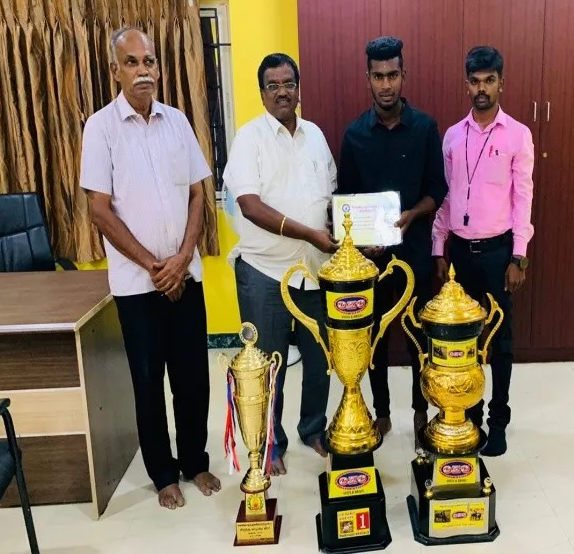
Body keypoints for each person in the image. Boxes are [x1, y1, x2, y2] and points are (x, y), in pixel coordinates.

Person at [80, 26, 221, 509]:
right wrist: (155, 266)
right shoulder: (100, 128)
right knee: (148, 384)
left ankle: (195, 461)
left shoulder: (177, 122)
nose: (144, 71)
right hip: (137, 286)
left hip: (186, 275)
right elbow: (99, 210)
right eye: (133, 62)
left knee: (193, 378)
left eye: (149, 61)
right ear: (115, 71)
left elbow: (198, 194)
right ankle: (163, 474)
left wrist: (181, 259)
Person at [223, 53, 337, 475]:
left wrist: (347, 229)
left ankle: (313, 429)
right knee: (269, 364)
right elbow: (250, 206)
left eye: (289, 83)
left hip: (314, 271)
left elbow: (331, 197)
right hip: (264, 272)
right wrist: (308, 232)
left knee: (320, 361)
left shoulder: (316, 136)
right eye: (273, 85)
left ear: (299, 87)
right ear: (262, 93)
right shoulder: (249, 138)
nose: (282, 92)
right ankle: (270, 443)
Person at [337, 36, 447, 440]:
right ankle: (381, 411)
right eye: (378, 76)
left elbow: (437, 188)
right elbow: (345, 199)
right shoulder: (354, 135)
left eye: (393, 75)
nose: (386, 84)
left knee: (418, 334)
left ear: (404, 75)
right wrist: (361, 240)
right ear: (367, 78)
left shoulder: (424, 128)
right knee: (376, 336)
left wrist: (413, 215)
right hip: (371, 257)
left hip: (414, 251)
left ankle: (420, 410)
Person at [432, 46, 534, 457]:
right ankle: (467, 415)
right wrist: (439, 249)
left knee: (500, 342)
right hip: (459, 256)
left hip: (498, 254)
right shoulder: (453, 136)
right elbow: (446, 197)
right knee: (464, 341)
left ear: (501, 83)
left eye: (489, 81)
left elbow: (523, 198)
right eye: (475, 81)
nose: (482, 89)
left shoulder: (518, 135)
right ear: (466, 84)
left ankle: (499, 422)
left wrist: (519, 256)